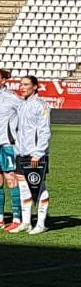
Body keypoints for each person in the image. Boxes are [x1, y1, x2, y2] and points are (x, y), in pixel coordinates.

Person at [9, 75, 50, 234]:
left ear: (35, 87)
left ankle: (41, 223)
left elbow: (45, 131)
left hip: (35, 154)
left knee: (39, 186)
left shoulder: (41, 105)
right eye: (21, 84)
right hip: (21, 153)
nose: (22, 87)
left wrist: (38, 153)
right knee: (23, 187)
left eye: (26, 84)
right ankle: (26, 222)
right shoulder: (21, 104)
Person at [0, 68, 23, 230]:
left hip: (7, 144)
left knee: (11, 179)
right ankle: (0, 218)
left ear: (3, 80)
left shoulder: (12, 98)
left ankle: (16, 218)